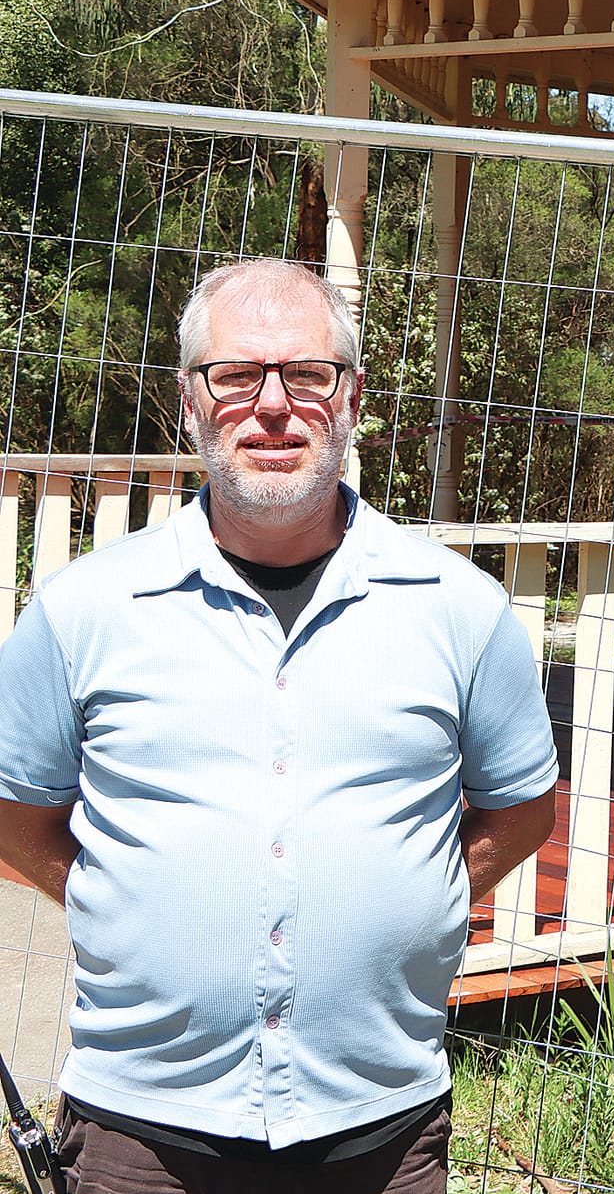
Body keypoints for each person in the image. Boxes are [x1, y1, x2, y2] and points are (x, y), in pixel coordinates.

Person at [0, 260, 560, 1193]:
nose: (271, 405)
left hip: (379, 1127)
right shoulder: (79, 612)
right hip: (143, 1131)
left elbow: (525, 810)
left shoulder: (462, 610)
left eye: (307, 374)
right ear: (189, 400)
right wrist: (112, 895)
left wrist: (423, 897)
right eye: (235, 375)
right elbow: (15, 816)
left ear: (352, 398)